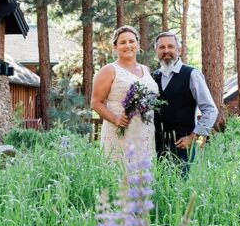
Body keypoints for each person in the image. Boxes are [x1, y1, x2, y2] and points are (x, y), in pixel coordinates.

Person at [91, 26, 158, 169]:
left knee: (143, 179)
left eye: (131, 41)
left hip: (145, 132)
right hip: (119, 133)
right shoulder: (109, 70)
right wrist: (115, 119)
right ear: (115, 47)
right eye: (122, 42)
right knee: (119, 177)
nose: (128, 45)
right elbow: (96, 103)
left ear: (138, 45)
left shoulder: (145, 70)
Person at [151, 31, 218, 172]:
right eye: (161, 47)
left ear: (179, 50)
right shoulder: (153, 77)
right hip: (155, 146)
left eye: (171, 46)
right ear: (156, 51)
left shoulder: (191, 74)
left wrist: (193, 137)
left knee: (178, 189)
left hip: (181, 146)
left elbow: (210, 110)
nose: (166, 50)